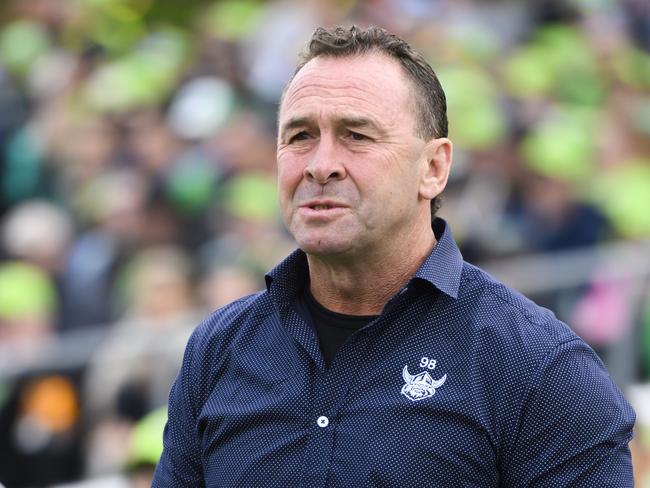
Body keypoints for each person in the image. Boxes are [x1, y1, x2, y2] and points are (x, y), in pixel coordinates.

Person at [153, 26, 635, 487]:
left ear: (434, 167)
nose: (321, 165)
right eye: (300, 136)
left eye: (356, 135)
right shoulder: (218, 349)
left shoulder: (538, 368)